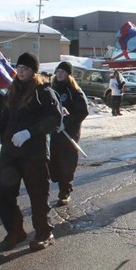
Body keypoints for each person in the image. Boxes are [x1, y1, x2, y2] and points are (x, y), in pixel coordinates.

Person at [0, 52, 62, 252]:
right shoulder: (12, 91)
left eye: (26, 68)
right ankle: (15, 232)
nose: (21, 71)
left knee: (38, 196)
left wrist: (29, 133)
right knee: (0, 190)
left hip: (34, 154)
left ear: (33, 71)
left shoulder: (43, 92)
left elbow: (55, 120)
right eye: (19, 67)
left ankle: (43, 233)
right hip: (10, 153)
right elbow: (5, 121)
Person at [49, 62, 89, 206]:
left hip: (69, 133)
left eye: (63, 72)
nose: (59, 74)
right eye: (58, 71)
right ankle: (60, 182)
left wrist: (66, 123)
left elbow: (83, 111)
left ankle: (65, 189)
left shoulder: (74, 91)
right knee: (54, 161)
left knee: (67, 162)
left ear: (68, 74)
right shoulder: (51, 90)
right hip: (55, 132)